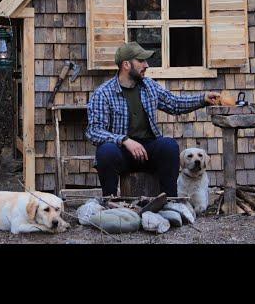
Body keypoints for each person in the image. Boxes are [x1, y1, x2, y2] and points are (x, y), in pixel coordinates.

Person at [85, 41, 221, 197]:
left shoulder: (149, 86)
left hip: (148, 151)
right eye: (141, 61)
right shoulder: (103, 93)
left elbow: (174, 104)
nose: (147, 65)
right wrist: (124, 140)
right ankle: (110, 204)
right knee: (105, 151)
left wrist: (203, 98)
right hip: (120, 152)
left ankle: (170, 202)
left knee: (168, 146)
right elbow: (93, 131)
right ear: (126, 65)